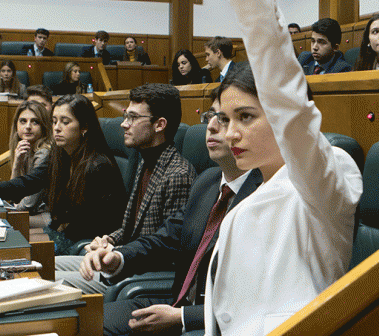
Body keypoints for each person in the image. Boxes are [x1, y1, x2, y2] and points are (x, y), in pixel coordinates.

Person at [201, 0, 363, 335]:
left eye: (246, 117)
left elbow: (287, 101)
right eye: (225, 119)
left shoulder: (325, 179)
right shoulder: (248, 189)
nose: (231, 134)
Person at [84, 98, 263, 336]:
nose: (211, 126)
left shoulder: (265, 196)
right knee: (85, 323)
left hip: (215, 322)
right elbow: (165, 238)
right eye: (211, 115)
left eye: (224, 119)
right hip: (176, 304)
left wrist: (183, 317)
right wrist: (118, 258)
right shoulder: (207, 181)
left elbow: (259, 298)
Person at [59, 83, 196, 294]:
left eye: (132, 117)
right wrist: (109, 239)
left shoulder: (178, 175)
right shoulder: (145, 161)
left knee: (52, 282)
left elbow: (166, 250)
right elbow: (132, 228)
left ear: (159, 124)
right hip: (122, 258)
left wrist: (116, 253)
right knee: (48, 266)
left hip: (138, 274)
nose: (124, 124)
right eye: (126, 116)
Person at [0, 95, 126, 254]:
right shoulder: (60, 154)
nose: (57, 128)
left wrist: (43, 240)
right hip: (64, 232)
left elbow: (88, 225)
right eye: (54, 121)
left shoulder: (98, 166)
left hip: (86, 243)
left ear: (84, 127)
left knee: (16, 249)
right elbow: (32, 180)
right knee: (8, 242)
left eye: (65, 122)